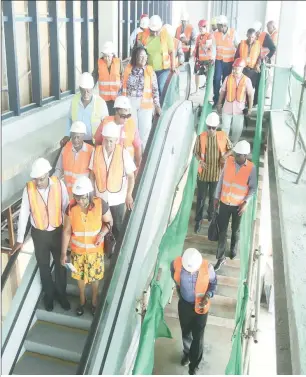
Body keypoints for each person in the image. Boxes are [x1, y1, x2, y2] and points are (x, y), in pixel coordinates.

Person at [11, 158, 70, 311]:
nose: (38, 182)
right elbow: (24, 213)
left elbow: (66, 207)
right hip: (39, 235)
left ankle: (61, 295)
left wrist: (69, 232)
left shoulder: (59, 184)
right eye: (36, 179)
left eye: (41, 179)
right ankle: (49, 296)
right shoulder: (29, 189)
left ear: (48, 174)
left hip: (57, 232)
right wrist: (19, 239)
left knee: (60, 265)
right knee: (43, 267)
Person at [61, 176, 113, 316]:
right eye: (77, 198)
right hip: (77, 252)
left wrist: (102, 234)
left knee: (95, 279)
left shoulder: (101, 204)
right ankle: (82, 300)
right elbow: (66, 231)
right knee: (80, 279)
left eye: (83, 198)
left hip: (95, 252)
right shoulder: (71, 208)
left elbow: (109, 222)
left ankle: (94, 301)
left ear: (90, 195)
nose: (80, 201)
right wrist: (63, 253)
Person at [171, 248, 217, 375]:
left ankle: (194, 364)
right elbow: (174, 277)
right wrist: (181, 294)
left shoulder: (208, 268)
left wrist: (207, 295)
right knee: (186, 333)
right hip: (185, 305)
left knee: (198, 337)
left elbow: (213, 284)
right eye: (188, 270)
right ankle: (187, 353)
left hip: (201, 307)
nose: (191, 273)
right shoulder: (176, 264)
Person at [214, 140, 257, 271]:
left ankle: (233, 250)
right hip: (224, 202)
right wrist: (216, 197)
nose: (236, 156)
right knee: (222, 230)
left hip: (238, 206)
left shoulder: (251, 168)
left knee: (235, 230)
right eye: (236, 153)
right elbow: (221, 179)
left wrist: (245, 202)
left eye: (239, 155)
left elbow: (253, 188)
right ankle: (220, 257)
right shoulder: (228, 162)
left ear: (245, 155)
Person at [89, 123, 136, 239]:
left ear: (116, 140)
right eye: (106, 140)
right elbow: (92, 175)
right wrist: (92, 195)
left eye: (111, 141)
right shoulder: (96, 152)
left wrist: (129, 195)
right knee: (103, 227)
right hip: (101, 198)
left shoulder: (123, 153)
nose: (108, 144)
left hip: (118, 199)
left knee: (118, 227)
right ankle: (107, 251)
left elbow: (131, 176)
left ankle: (117, 253)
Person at [194, 112, 232, 233]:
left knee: (213, 197)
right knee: (200, 198)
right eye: (209, 127)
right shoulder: (201, 137)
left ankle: (211, 216)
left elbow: (231, 149)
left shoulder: (223, 136)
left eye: (213, 128)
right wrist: (200, 160)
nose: (210, 130)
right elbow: (195, 152)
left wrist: (224, 156)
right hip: (203, 174)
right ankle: (198, 221)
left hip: (216, 174)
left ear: (217, 127)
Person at [121, 47, 161, 150]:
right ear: (135, 57)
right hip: (130, 104)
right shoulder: (128, 70)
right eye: (141, 56)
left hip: (146, 106)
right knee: (131, 131)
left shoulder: (150, 71)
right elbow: (122, 87)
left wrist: (157, 106)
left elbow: (155, 90)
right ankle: (132, 156)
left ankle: (142, 158)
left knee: (144, 134)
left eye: (145, 56)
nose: (144, 58)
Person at [61, 72, 109, 147]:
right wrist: (67, 135)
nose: (85, 94)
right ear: (79, 88)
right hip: (77, 142)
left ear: (92, 88)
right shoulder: (75, 100)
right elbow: (69, 118)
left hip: (94, 143)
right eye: (83, 91)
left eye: (88, 91)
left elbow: (106, 124)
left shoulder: (101, 103)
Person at [94, 96, 142, 169]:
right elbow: (97, 143)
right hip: (108, 165)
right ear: (116, 111)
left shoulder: (131, 124)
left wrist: (138, 165)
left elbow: (137, 146)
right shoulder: (105, 123)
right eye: (123, 116)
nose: (126, 118)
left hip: (126, 166)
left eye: (128, 116)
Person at [217, 58, 254, 145]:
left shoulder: (247, 80)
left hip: (239, 109)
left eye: (237, 68)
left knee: (237, 129)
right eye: (234, 68)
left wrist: (250, 109)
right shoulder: (227, 78)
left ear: (242, 68)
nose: (234, 70)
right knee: (225, 127)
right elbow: (222, 92)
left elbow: (250, 95)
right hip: (227, 108)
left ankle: (233, 144)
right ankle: (223, 144)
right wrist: (219, 104)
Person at [137, 15, 176, 96]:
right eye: (152, 31)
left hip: (163, 70)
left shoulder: (166, 36)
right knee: (150, 90)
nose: (154, 33)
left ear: (160, 28)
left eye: (156, 31)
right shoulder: (144, 36)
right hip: (149, 69)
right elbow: (138, 49)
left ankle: (162, 107)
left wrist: (173, 66)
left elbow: (172, 51)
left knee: (161, 88)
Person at [55, 121, 93, 200]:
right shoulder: (65, 149)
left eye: (78, 137)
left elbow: (93, 176)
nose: (75, 140)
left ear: (83, 136)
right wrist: (51, 182)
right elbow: (58, 169)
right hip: (68, 194)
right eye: (73, 137)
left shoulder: (91, 151)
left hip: (83, 195)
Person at [212, 15, 239, 106]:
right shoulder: (215, 33)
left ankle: (223, 100)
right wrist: (212, 58)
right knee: (216, 79)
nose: (217, 27)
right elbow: (213, 47)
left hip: (229, 61)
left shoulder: (233, 33)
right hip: (219, 60)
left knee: (226, 80)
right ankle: (216, 99)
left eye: (218, 25)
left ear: (223, 25)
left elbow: (237, 46)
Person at [92, 41, 124, 115]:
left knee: (115, 118)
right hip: (104, 99)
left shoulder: (118, 62)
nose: (106, 58)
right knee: (105, 117)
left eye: (108, 56)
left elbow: (123, 77)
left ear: (112, 55)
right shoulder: (99, 63)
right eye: (104, 56)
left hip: (116, 98)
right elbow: (94, 76)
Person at [234, 29, 261, 105]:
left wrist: (258, 65)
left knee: (250, 89)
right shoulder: (241, 44)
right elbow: (236, 57)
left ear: (255, 36)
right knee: (242, 88)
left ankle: (249, 106)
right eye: (249, 37)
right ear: (246, 35)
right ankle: (241, 104)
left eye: (252, 37)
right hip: (243, 70)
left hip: (252, 71)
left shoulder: (258, 45)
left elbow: (259, 57)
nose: (250, 39)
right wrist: (237, 68)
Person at [193, 20, 215, 94]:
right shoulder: (198, 36)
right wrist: (194, 54)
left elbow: (207, 47)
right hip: (199, 59)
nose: (200, 30)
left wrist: (201, 44)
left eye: (201, 28)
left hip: (207, 60)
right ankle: (197, 90)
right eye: (199, 28)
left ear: (205, 27)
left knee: (208, 77)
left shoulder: (209, 36)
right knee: (196, 74)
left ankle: (208, 92)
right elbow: (196, 46)